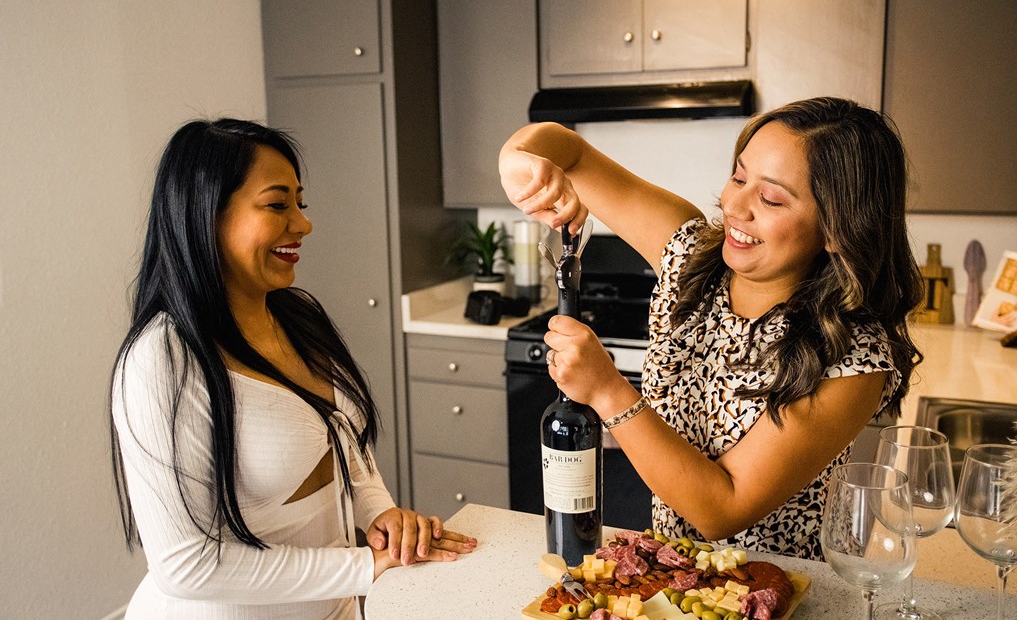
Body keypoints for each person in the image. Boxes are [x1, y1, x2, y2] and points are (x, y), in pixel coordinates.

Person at [498, 97, 923, 560]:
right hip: (674, 577)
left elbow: (723, 508)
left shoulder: (853, 355)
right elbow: (569, 152)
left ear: (837, 228)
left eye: (772, 197)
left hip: (778, 591)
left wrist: (606, 389)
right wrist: (518, 160)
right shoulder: (690, 255)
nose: (735, 206)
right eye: (739, 176)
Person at [110, 118, 476, 619]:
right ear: (206, 216)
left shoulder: (295, 314)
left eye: (300, 203)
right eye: (277, 204)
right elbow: (186, 566)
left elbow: (343, 443)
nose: (302, 224)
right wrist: (364, 565)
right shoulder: (163, 360)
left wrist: (381, 514)